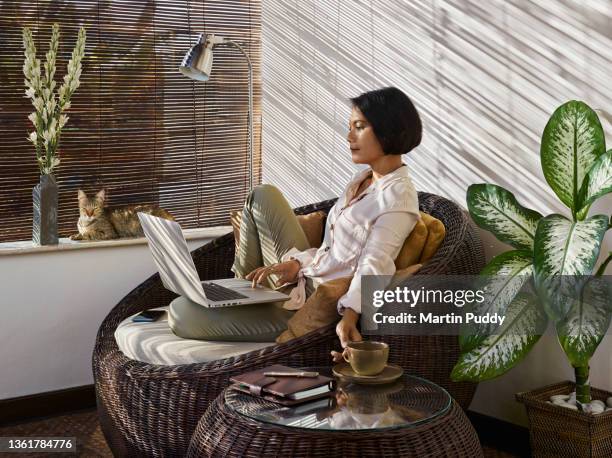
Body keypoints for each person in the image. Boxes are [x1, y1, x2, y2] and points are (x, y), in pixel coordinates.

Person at [168, 86, 421, 361]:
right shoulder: (362, 180)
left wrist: (350, 316)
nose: (349, 137)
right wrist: (297, 263)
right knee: (263, 194)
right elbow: (331, 252)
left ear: (388, 129)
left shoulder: (398, 196)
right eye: (350, 127)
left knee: (181, 313)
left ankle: (240, 295)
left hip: (311, 302)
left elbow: (376, 263)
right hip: (305, 275)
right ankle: (240, 290)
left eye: (358, 127)